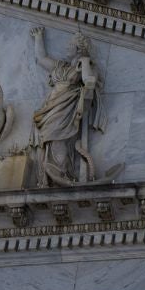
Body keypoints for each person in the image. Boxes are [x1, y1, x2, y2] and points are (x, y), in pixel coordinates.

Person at [29, 27, 105, 186]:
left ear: (78, 48)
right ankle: (47, 177)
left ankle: (62, 175)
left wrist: (84, 61)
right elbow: (41, 58)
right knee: (48, 142)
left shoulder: (85, 65)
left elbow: (89, 80)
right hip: (50, 107)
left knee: (58, 140)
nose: (66, 48)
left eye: (70, 45)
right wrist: (38, 37)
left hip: (66, 109)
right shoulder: (61, 66)